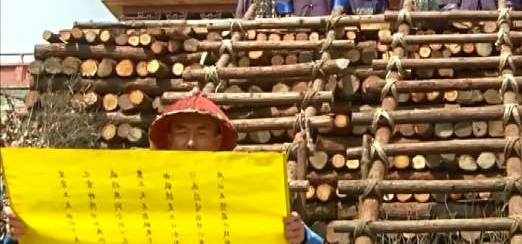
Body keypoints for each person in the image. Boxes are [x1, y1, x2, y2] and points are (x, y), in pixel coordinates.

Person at [2, 91, 323, 244]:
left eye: (201, 133)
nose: (191, 143)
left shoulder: (250, 192)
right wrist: (23, 234)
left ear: (218, 140)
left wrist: (300, 237)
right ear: (166, 138)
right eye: (182, 132)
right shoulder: (134, 188)